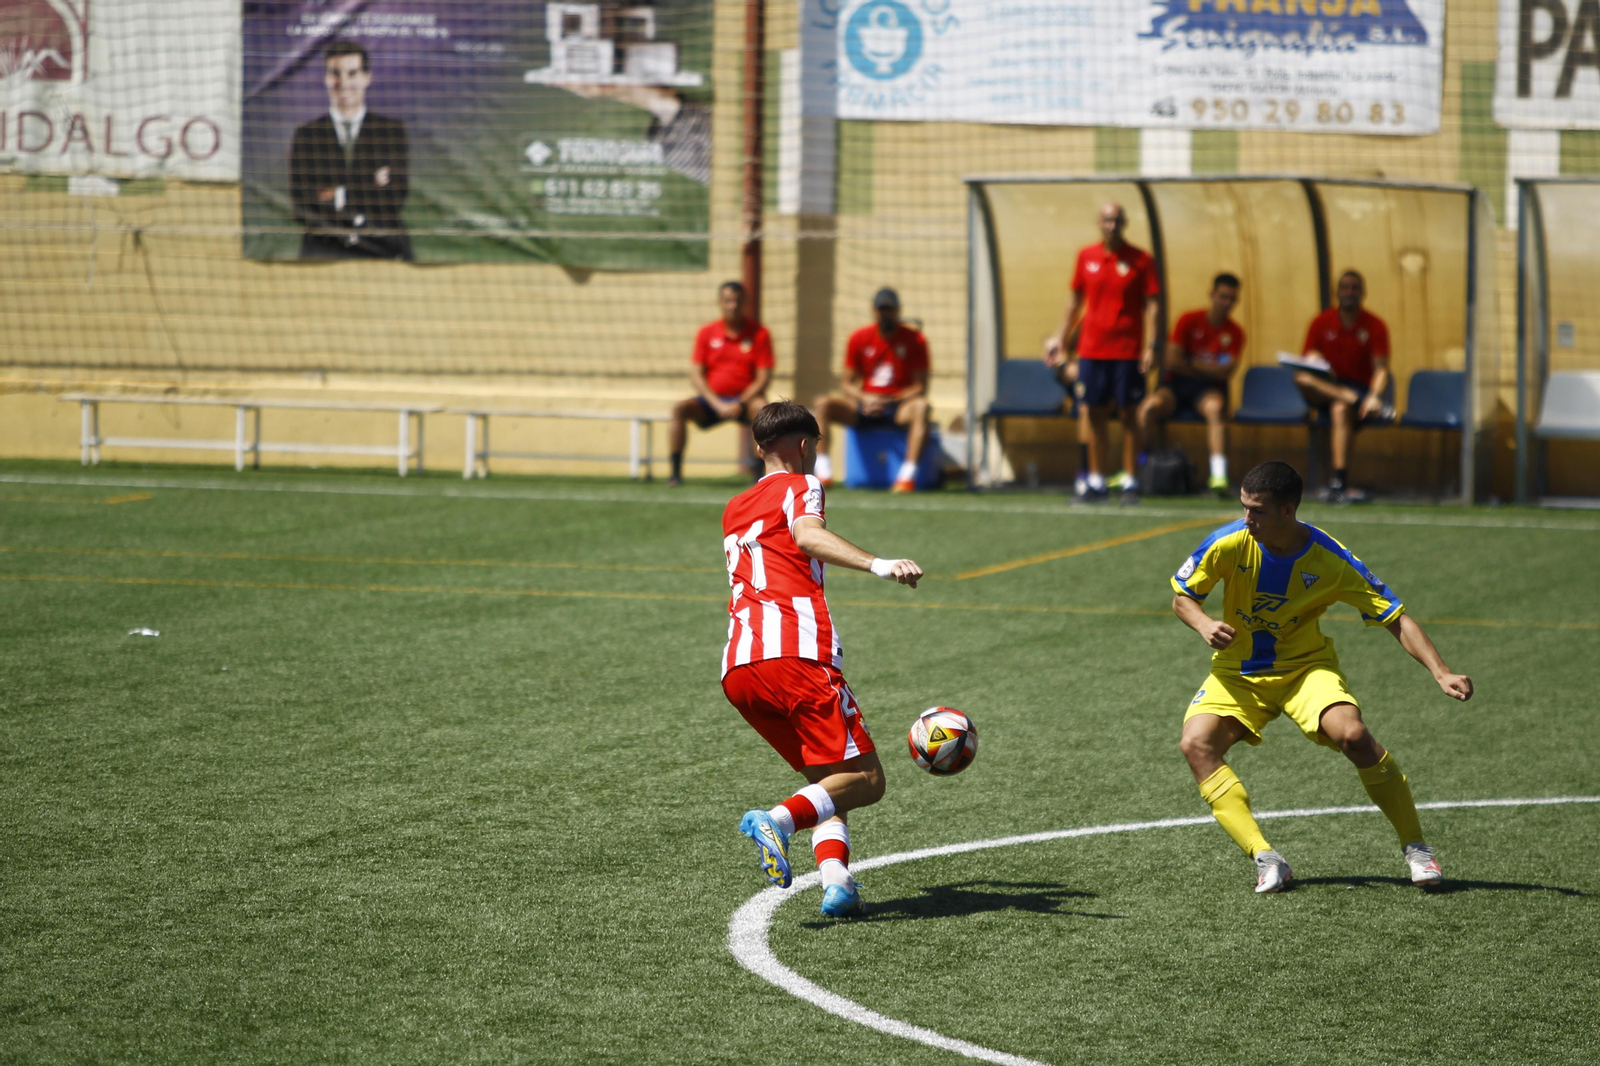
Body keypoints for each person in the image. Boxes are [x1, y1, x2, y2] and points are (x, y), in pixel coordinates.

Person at [1170, 460, 1473, 894]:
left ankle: (1417, 849)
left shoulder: (1331, 559)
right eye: (1244, 508)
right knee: (1195, 745)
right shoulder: (1228, 543)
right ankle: (1266, 857)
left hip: (1304, 670)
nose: (1246, 519)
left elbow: (1394, 616)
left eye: (1257, 511)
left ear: (1288, 511)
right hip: (1237, 675)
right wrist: (1202, 623)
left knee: (1353, 736)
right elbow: (1184, 597)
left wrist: (1440, 672)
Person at [723, 401, 923, 917]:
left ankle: (838, 883)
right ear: (806, 445)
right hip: (796, 654)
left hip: (741, 668)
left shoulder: (735, 506)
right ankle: (778, 821)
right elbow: (806, 535)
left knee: (830, 783)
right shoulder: (801, 486)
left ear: (757, 446)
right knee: (868, 781)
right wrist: (879, 564)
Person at [1047, 203, 1162, 504]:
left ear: (1124, 223)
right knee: (1093, 412)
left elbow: (1152, 305)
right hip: (1092, 350)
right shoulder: (1087, 256)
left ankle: (1130, 482)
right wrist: (1060, 339)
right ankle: (1096, 481)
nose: (1112, 225)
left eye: (1117, 220)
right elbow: (1074, 301)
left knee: (1128, 415)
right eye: (1107, 220)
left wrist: (1150, 345)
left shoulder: (1141, 259)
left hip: (1127, 351)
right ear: (1099, 222)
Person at [289, 41, 412, 261]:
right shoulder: (305, 135)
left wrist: (337, 194)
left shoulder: (392, 132)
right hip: (322, 249)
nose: (343, 83)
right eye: (335, 74)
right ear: (326, 78)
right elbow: (300, 204)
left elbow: (395, 198)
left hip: (384, 250)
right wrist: (370, 183)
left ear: (367, 77)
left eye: (352, 73)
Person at [811, 288, 931, 493]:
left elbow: (920, 386)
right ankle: (823, 472)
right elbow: (847, 382)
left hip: (897, 406)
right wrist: (865, 398)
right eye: (881, 310)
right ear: (874, 311)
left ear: (898, 311)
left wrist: (890, 399)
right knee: (823, 403)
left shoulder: (915, 340)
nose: (886, 314)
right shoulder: (859, 338)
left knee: (922, 407)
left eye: (890, 310)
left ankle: (907, 477)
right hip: (864, 406)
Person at [1138, 273, 1245, 496]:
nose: (1227, 303)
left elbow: (1225, 372)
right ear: (1212, 295)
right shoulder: (1189, 320)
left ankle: (1218, 476)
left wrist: (1190, 362)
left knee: (1215, 409)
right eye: (1223, 296)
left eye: (1232, 299)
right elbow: (1171, 361)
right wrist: (1206, 368)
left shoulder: (1235, 332)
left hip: (1207, 391)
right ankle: (1141, 467)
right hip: (1175, 387)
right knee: (1148, 407)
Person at [1293, 271, 1396, 502]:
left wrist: (1375, 396)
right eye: (1345, 287)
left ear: (1363, 293)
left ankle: (1338, 482)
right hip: (1326, 387)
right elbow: (1309, 357)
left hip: (1358, 389)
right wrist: (1315, 361)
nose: (1349, 292)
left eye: (1354, 288)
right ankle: (1352, 400)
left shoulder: (1375, 325)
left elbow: (1381, 368)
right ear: (1337, 292)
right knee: (1301, 377)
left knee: (1340, 409)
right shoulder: (1321, 322)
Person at [668, 281, 773, 486]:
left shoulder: (760, 334)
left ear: (745, 303)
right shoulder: (707, 333)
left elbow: (763, 377)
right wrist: (715, 402)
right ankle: (675, 474)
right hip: (712, 402)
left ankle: (759, 476)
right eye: (728, 300)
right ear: (720, 303)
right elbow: (696, 375)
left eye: (737, 300)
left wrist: (740, 403)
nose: (732, 305)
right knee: (679, 408)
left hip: (744, 402)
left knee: (761, 409)